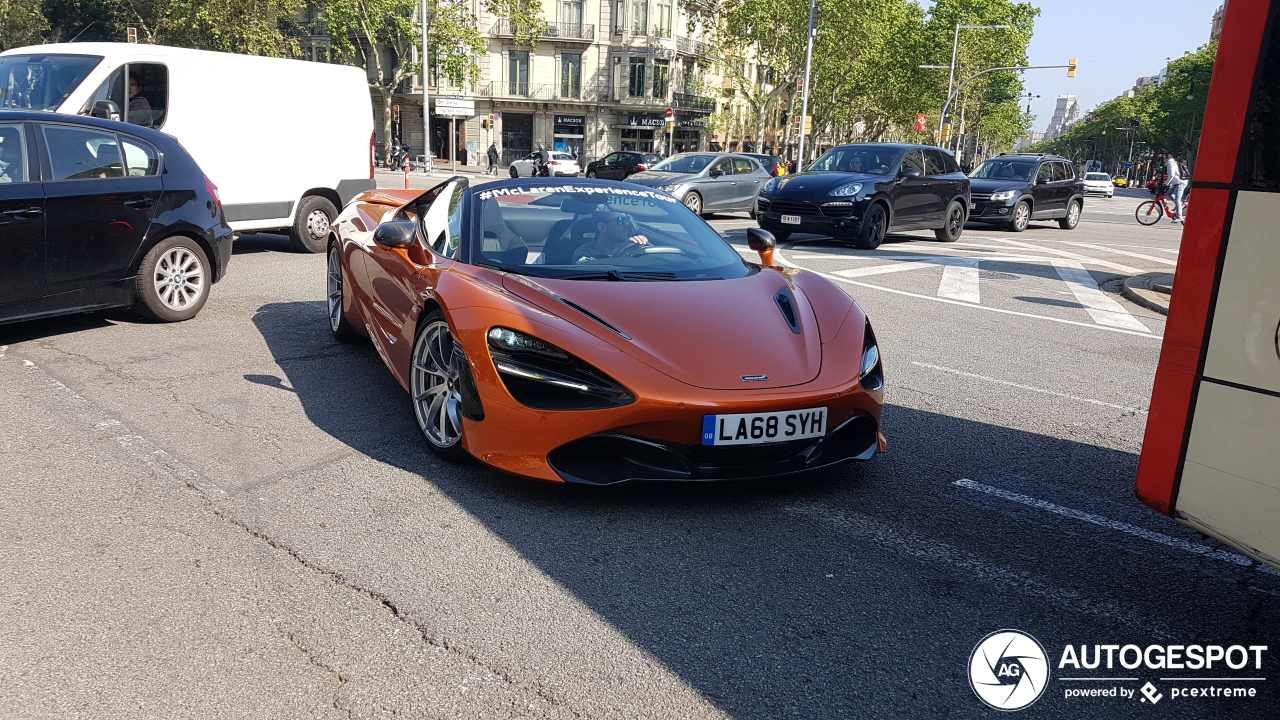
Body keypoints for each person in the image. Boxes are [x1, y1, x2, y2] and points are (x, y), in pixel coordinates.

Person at [572, 211, 650, 262]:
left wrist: (641, 247)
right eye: (620, 220)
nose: (627, 224)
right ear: (602, 227)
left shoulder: (632, 249)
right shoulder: (584, 253)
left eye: (627, 219)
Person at [1164, 153, 1186, 223]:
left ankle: (1179, 216)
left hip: (1180, 183)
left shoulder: (1170, 164)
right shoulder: (1172, 163)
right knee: (1169, 193)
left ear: (1168, 158)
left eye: (1164, 158)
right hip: (1178, 183)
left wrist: (1166, 184)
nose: (1163, 160)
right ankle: (1178, 206)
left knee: (1177, 199)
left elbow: (1172, 175)